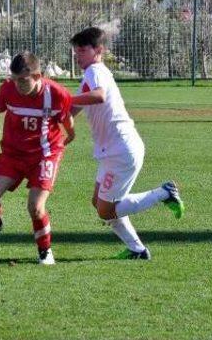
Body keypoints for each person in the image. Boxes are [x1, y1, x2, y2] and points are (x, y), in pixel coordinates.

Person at [69, 27, 185, 260]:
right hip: (111, 152)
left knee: (106, 209)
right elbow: (72, 109)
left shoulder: (95, 71)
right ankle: (137, 250)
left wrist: (63, 99)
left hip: (121, 150)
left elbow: (99, 96)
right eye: (75, 51)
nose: (77, 55)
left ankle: (165, 193)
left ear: (98, 50)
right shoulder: (89, 76)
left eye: (82, 50)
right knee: (99, 203)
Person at [0, 52, 75, 265]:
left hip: (44, 155)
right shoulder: (9, 88)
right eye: (14, 79)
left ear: (38, 76)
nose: (17, 85)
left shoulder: (56, 93)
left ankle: (45, 251)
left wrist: (70, 135)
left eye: (23, 80)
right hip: (12, 154)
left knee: (35, 206)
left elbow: (66, 117)